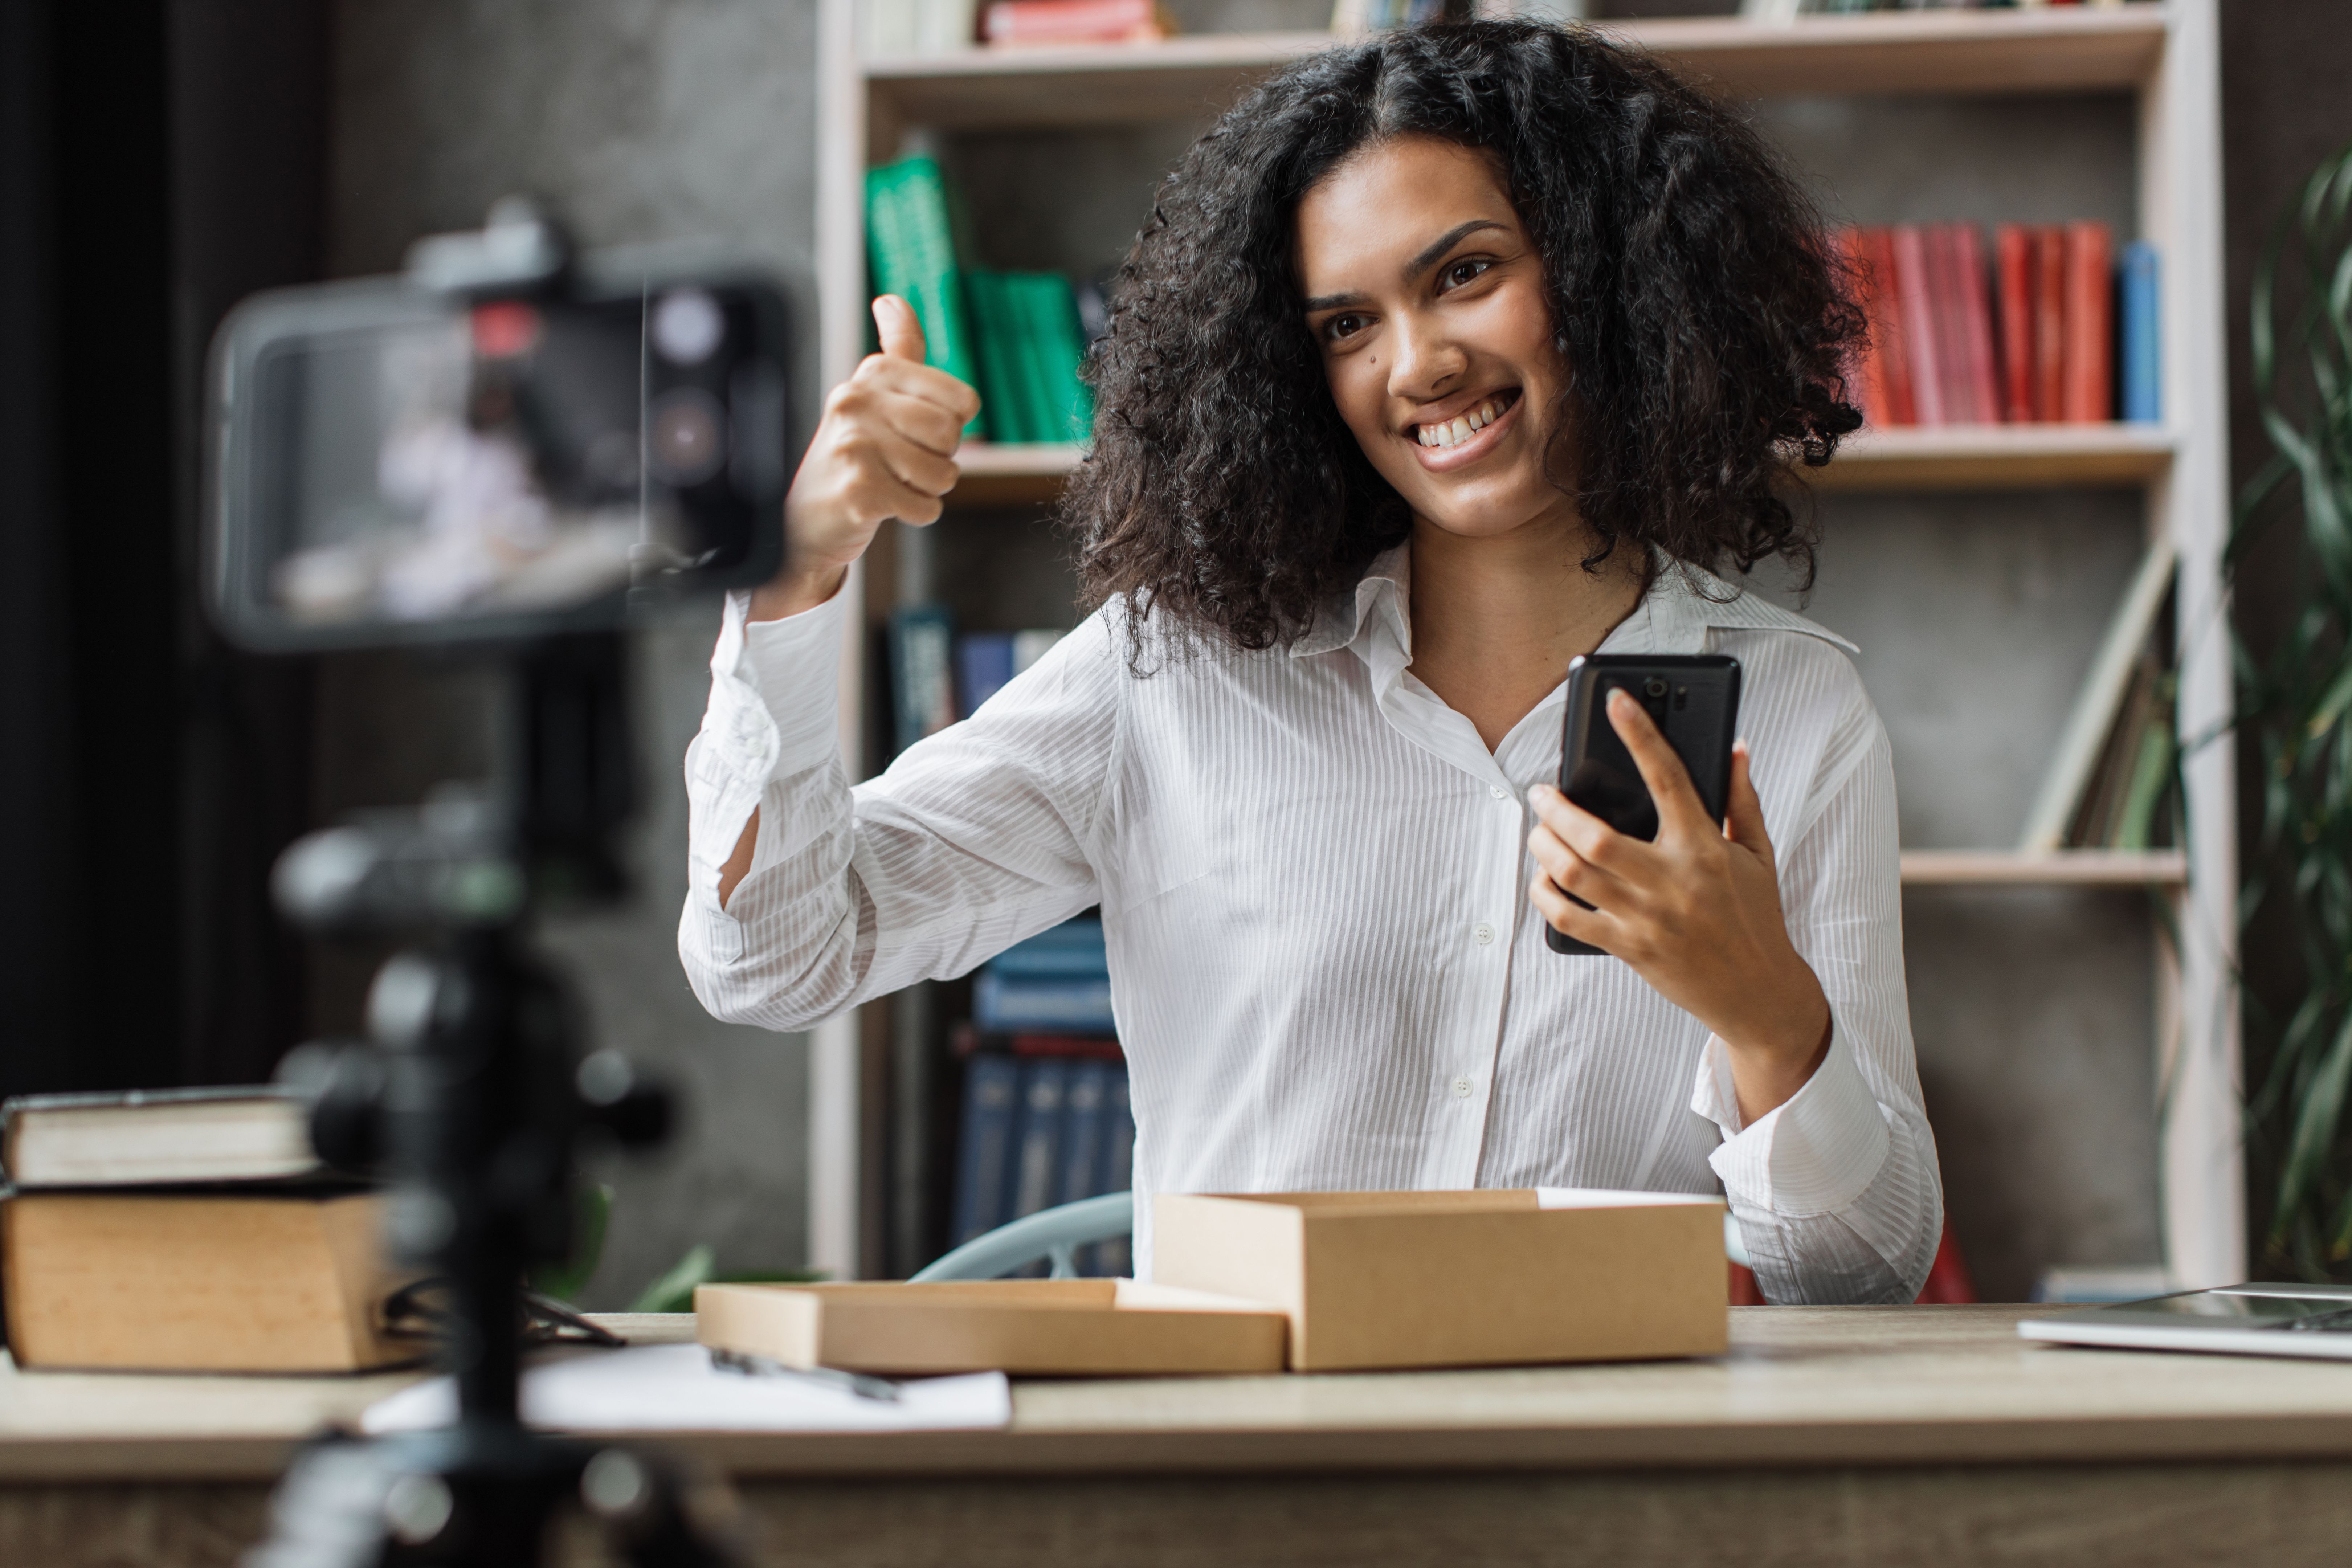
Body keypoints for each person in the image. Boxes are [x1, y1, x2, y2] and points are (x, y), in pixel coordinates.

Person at [679, 20, 1941, 1303]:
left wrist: (1767, 1013)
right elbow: (777, 955)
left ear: (1610, 270)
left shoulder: (1793, 711)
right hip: (1241, 1470)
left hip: (1602, 1472)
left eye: (1466, 273)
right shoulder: (1171, 673)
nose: (1420, 361)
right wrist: (794, 582)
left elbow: (1866, 1276)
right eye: (1347, 322)